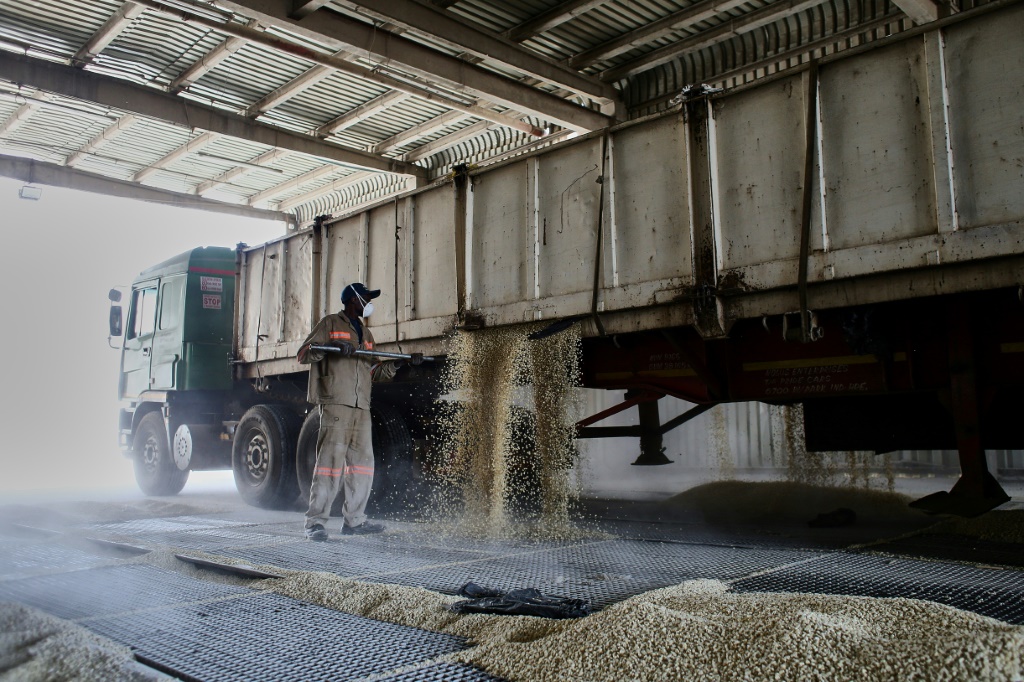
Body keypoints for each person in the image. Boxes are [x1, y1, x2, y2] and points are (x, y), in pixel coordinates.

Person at [297, 282, 422, 541]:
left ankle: (354, 521)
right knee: (329, 465)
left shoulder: (366, 334)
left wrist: (400, 364)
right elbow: (304, 354)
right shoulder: (331, 323)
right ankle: (315, 523)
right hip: (337, 402)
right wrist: (332, 346)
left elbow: (374, 371)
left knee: (363, 466)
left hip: (361, 404)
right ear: (352, 300)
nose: (368, 302)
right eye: (365, 298)